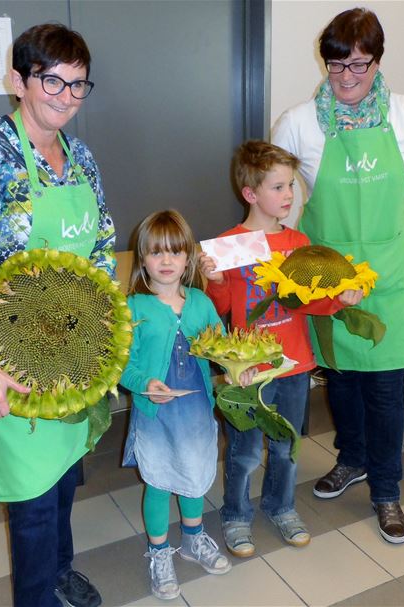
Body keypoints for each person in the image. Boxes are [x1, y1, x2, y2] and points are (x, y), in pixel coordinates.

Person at [0, 23, 115, 607]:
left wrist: (108, 337)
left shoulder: (81, 157)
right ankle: (36, 596)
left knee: (65, 476)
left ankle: (61, 573)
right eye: (51, 80)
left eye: (77, 84)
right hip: (11, 356)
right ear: (18, 80)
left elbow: (102, 247)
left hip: (74, 350)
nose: (65, 96)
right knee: (32, 497)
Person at [272, 8, 404, 544]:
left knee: (387, 390)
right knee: (341, 379)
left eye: (359, 66)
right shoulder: (298, 121)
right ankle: (352, 460)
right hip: (328, 279)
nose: (346, 79)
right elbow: (275, 197)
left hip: (392, 275)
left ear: (377, 60)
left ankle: (387, 490)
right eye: (336, 66)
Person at [199, 140, 363, 557]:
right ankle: (236, 515)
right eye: (277, 187)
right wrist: (216, 282)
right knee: (246, 450)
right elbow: (221, 312)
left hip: (294, 365)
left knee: (288, 446)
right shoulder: (230, 244)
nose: (288, 195)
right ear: (250, 194)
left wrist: (338, 299)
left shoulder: (298, 240)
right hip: (251, 370)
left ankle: (281, 506)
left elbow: (309, 297)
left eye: (290, 186)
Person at [120, 210, 241, 601]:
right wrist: (143, 384)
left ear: (189, 258)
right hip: (156, 414)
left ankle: (192, 538)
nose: (167, 261)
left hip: (195, 412)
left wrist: (241, 368)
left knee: (194, 476)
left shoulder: (202, 302)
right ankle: (158, 552)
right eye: (157, 253)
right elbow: (124, 363)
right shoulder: (134, 308)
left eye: (175, 252)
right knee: (158, 481)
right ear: (142, 260)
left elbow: (222, 347)